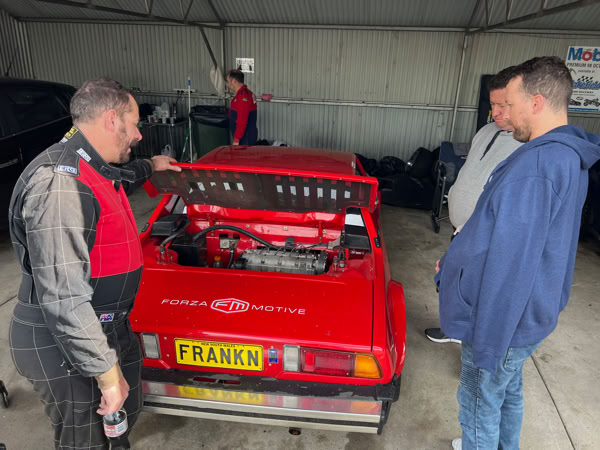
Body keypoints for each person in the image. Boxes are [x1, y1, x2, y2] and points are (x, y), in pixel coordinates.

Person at [435, 56, 600, 450]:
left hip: (500, 320)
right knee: (506, 393)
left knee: (478, 402)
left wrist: (491, 339)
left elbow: (512, 262)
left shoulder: (539, 165)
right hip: (526, 314)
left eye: (510, 103)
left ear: (536, 102)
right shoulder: (564, 155)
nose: (501, 115)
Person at [8, 78, 181, 450]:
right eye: (133, 124)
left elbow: (121, 177)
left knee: (118, 427)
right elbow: (64, 297)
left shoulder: (92, 164)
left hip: (107, 325)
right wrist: (106, 373)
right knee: (86, 441)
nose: (137, 135)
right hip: (61, 337)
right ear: (110, 119)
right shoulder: (59, 183)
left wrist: (153, 165)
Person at [425, 66, 522, 344]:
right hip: (462, 229)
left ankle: (470, 345)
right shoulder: (487, 130)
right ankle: (452, 328)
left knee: (477, 292)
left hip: (485, 234)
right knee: (449, 282)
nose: (498, 112)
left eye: (504, 105)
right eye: (493, 105)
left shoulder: (526, 144)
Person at [226, 69, 258, 146]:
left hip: (245, 138)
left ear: (234, 81)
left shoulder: (243, 97)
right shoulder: (246, 93)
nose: (227, 84)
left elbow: (242, 120)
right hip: (245, 136)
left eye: (228, 81)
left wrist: (236, 140)